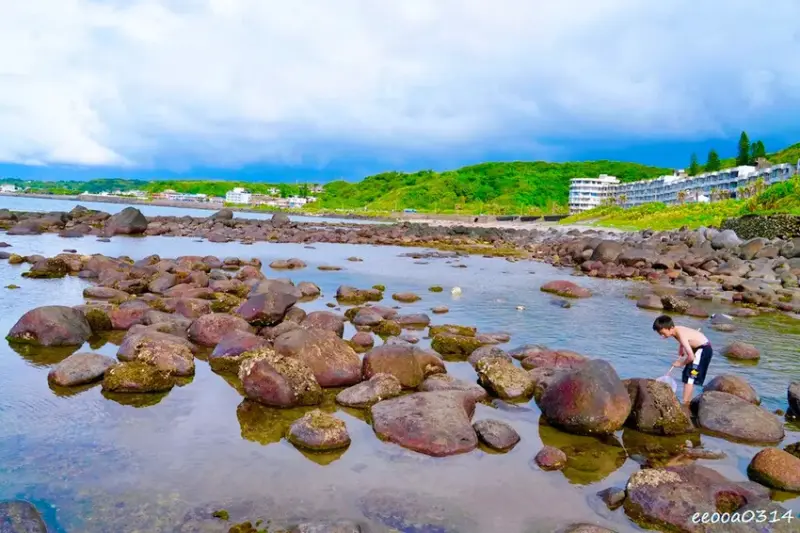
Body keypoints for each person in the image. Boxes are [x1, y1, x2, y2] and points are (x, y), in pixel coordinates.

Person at [652, 315, 713, 404]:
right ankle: (687, 401)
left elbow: (691, 356)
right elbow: (685, 339)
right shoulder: (675, 330)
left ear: (671, 328)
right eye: (660, 334)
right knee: (687, 375)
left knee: (690, 377)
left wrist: (680, 363)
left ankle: (685, 403)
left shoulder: (681, 334)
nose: (662, 336)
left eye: (663, 333)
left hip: (703, 350)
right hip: (698, 349)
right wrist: (681, 348)